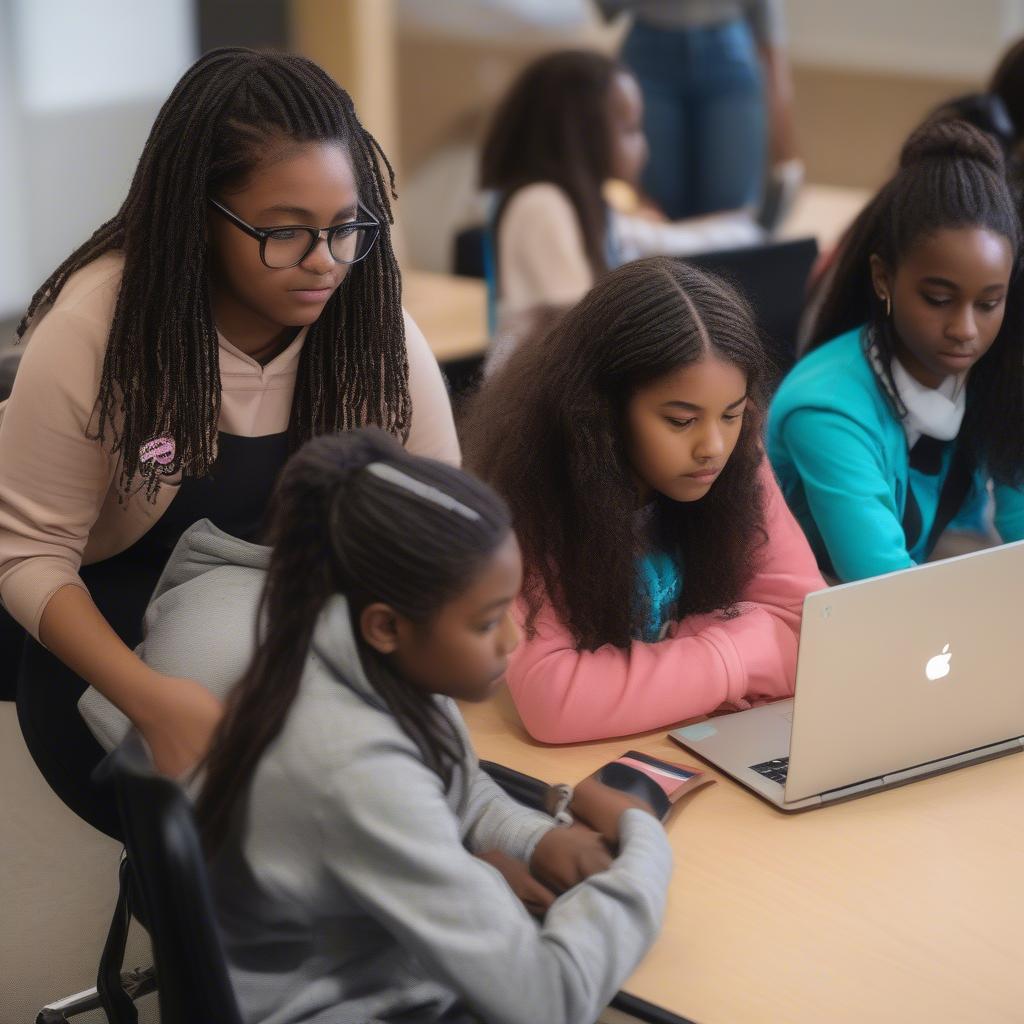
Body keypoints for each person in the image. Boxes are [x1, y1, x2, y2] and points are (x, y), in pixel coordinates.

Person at [0, 47, 458, 837]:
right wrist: (151, 701)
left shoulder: (370, 331)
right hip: (113, 641)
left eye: (345, 228)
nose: (324, 263)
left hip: (293, 623)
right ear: (200, 216)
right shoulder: (96, 331)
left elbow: (443, 519)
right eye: (285, 232)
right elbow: (27, 554)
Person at [172, 428, 671, 1024]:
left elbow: (452, 782)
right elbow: (548, 1002)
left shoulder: (355, 654)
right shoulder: (354, 766)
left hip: (379, 972)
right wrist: (645, 845)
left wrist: (533, 840)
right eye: (486, 622)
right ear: (387, 626)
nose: (513, 640)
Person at [461, 257, 824, 743]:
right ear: (603, 411)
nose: (714, 446)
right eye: (681, 421)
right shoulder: (530, 485)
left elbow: (813, 633)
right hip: (575, 768)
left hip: (687, 742)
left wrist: (669, 671)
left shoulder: (735, 455)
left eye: (732, 414)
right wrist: (733, 657)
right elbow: (555, 701)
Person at [768, 121, 1024, 583]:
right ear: (883, 278)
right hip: (824, 610)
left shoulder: (999, 374)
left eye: (989, 303)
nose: (965, 330)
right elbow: (882, 584)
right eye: (938, 299)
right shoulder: (827, 410)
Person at [479, 49, 762, 365]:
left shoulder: (593, 207)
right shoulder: (542, 205)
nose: (644, 146)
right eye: (630, 129)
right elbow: (576, 324)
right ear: (583, 133)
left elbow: (668, 240)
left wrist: (746, 226)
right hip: (529, 385)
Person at [600, 0, 801, 219]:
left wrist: (785, 143)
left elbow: (765, 14)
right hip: (649, 47)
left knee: (729, 209)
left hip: (729, 47)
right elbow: (607, 8)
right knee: (658, 206)